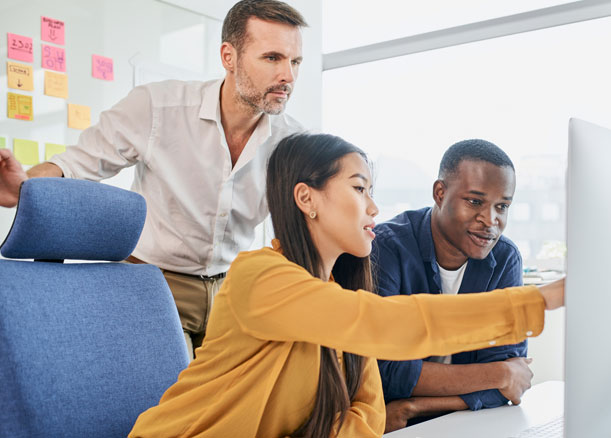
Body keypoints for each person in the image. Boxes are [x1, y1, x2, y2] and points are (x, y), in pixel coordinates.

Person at [127, 133, 564, 438]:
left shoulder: (342, 290)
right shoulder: (258, 277)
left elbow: (368, 410)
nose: (374, 206)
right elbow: (390, 325)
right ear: (307, 198)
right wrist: (540, 300)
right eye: (359, 188)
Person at [0, 0, 306, 358]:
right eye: (272, 58)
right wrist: (24, 189)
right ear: (229, 56)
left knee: (227, 406)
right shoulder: (158, 107)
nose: (288, 76)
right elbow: (74, 165)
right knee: (168, 400)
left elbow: (299, 229)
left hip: (231, 290)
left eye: (295, 61)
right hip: (155, 283)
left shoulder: (292, 143)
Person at [371, 139, 537, 431]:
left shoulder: (505, 258)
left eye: (502, 206)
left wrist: (415, 406)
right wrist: (497, 374)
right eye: (475, 202)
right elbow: (380, 373)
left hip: (461, 422)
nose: (490, 220)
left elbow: (512, 384)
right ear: (440, 193)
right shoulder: (385, 248)